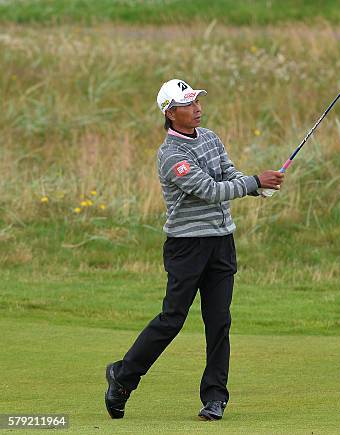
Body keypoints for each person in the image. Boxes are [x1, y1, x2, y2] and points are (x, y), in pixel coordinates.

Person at [104, 79, 285, 421]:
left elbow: (227, 174)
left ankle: (215, 397)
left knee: (219, 322)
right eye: (188, 105)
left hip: (221, 243)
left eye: (197, 102)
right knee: (172, 319)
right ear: (170, 113)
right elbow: (209, 190)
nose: (197, 108)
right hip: (186, 248)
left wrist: (255, 187)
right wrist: (254, 182)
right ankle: (124, 377)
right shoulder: (171, 155)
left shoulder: (211, 138)